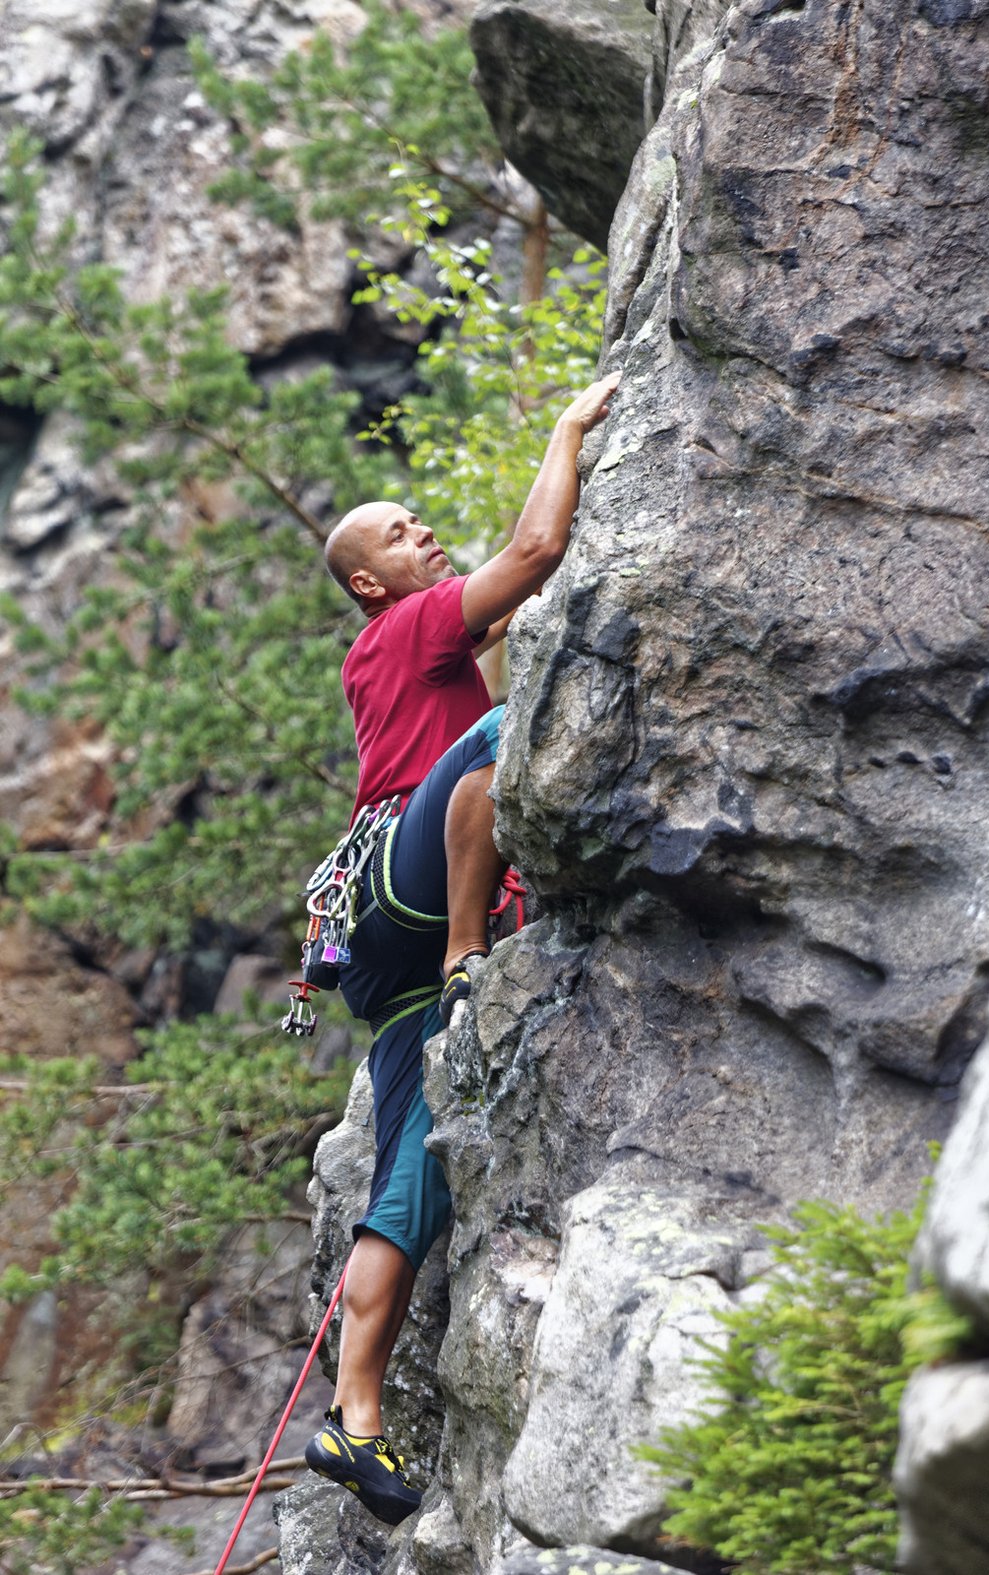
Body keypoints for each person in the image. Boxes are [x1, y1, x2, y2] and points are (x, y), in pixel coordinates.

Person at [304, 371, 620, 1525]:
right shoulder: (406, 626)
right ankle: (470, 946)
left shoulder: (416, 644)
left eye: (419, 519)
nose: (422, 531)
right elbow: (536, 554)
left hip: (369, 950)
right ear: (365, 580)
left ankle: (357, 1416)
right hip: (409, 897)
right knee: (505, 722)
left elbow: (511, 593)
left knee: (413, 1177)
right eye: (399, 530)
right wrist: (570, 428)